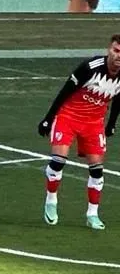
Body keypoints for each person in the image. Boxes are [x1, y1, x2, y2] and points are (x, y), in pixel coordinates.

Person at [38, 35, 120, 229]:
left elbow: (118, 99)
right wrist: (48, 118)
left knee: (97, 170)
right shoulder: (90, 67)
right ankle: (51, 200)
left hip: (94, 123)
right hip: (68, 116)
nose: (119, 56)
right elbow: (65, 91)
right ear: (109, 50)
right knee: (58, 161)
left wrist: (111, 123)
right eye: (116, 51)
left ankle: (92, 214)